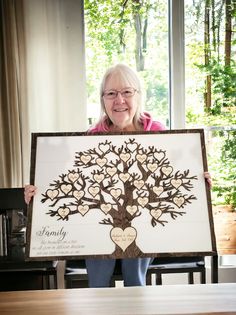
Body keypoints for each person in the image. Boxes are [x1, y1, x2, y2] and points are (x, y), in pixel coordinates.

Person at [24, 63, 212, 288]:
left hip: (145, 226)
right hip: (101, 225)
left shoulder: (159, 133)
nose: (119, 100)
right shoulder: (89, 139)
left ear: (138, 96)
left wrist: (200, 184)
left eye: (127, 92)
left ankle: (136, 300)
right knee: (99, 262)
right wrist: (38, 194)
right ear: (103, 100)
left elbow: (180, 178)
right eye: (111, 93)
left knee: (135, 259)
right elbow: (66, 180)